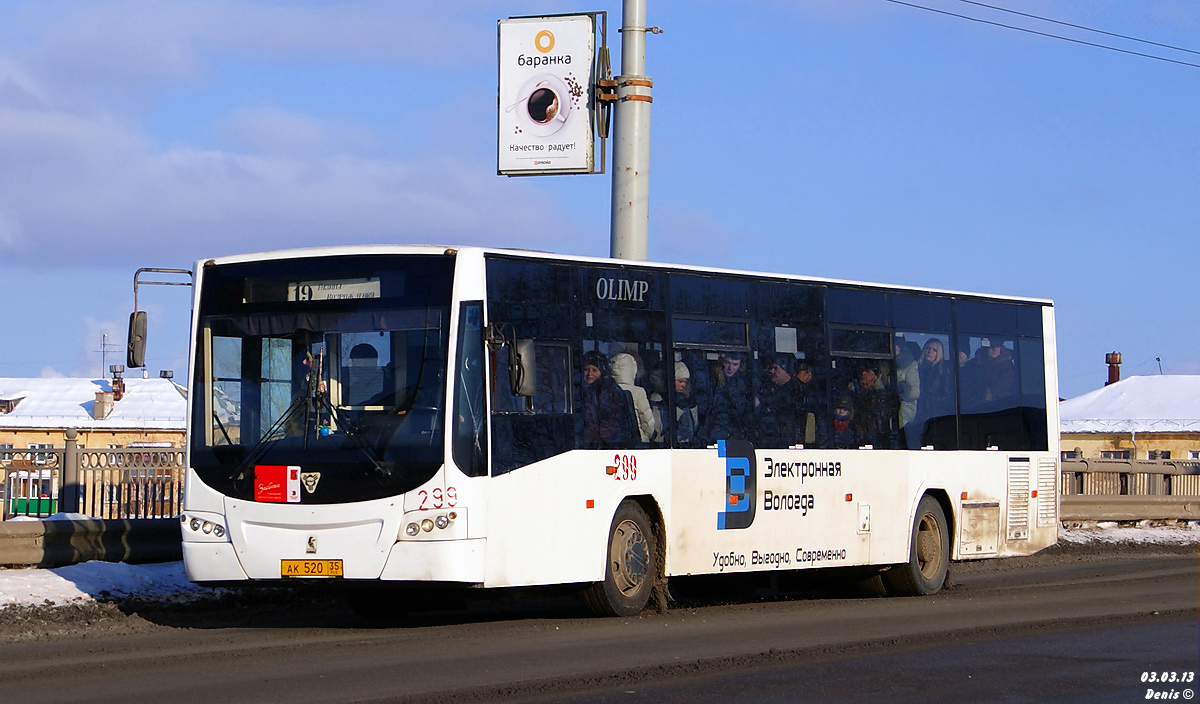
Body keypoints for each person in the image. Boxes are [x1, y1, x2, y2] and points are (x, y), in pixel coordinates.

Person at [580, 351, 635, 449]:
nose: (589, 373)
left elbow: (611, 425)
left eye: (594, 370)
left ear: (602, 371)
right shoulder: (582, 391)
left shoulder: (610, 393)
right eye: (586, 369)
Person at [697, 351, 752, 445]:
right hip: (712, 433)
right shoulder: (711, 378)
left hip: (736, 434)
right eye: (728, 363)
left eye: (735, 364)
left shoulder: (743, 383)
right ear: (722, 362)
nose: (730, 368)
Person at [611, 352, 657, 444]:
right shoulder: (638, 392)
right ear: (633, 369)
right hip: (638, 441)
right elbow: (646, 417)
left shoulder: (608, 391)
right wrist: (648, 435)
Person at [755, 356, 800, 448]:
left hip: (788, 442)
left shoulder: (796, 391)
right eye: (771, 368)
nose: (772, 371)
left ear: (787, 370)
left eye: (775, 368)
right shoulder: (768, 388)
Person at [849, 363, 897, 448]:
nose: (863, 373)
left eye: (867, 371)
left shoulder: (882, 395)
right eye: (862, 371)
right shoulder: (853, 392)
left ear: (875, 376)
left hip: (878, 438)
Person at [918, 338, 955, 421]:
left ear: (938, 353)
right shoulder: (915, 368)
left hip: (934, 412)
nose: (930, 352)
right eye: (928, 348)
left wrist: (930, 399)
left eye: (934, 350)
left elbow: (947, 394)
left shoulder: (943, 371)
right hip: (916, 409)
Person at [673, 361, 699, 447]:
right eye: (680, 381)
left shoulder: (688, 401)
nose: (683, 385)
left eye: (685, 382)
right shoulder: (660, 400)